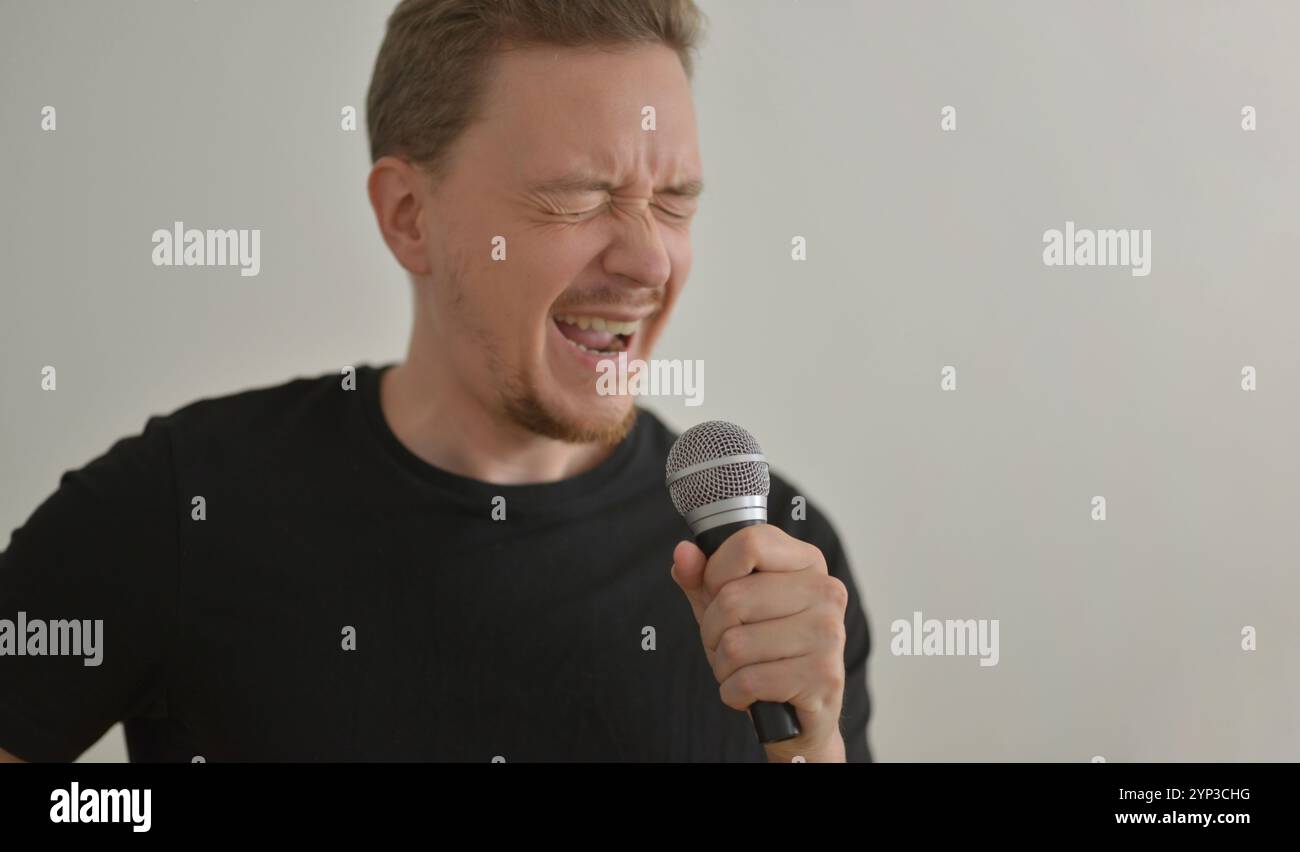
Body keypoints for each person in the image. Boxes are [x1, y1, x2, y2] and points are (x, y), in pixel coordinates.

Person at [0, 0, 871, 762]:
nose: (650, 258)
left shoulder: (777, 569)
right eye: (578, 196)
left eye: (675, 201)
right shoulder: (180, 506)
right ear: (410, 217)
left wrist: (812, 747)